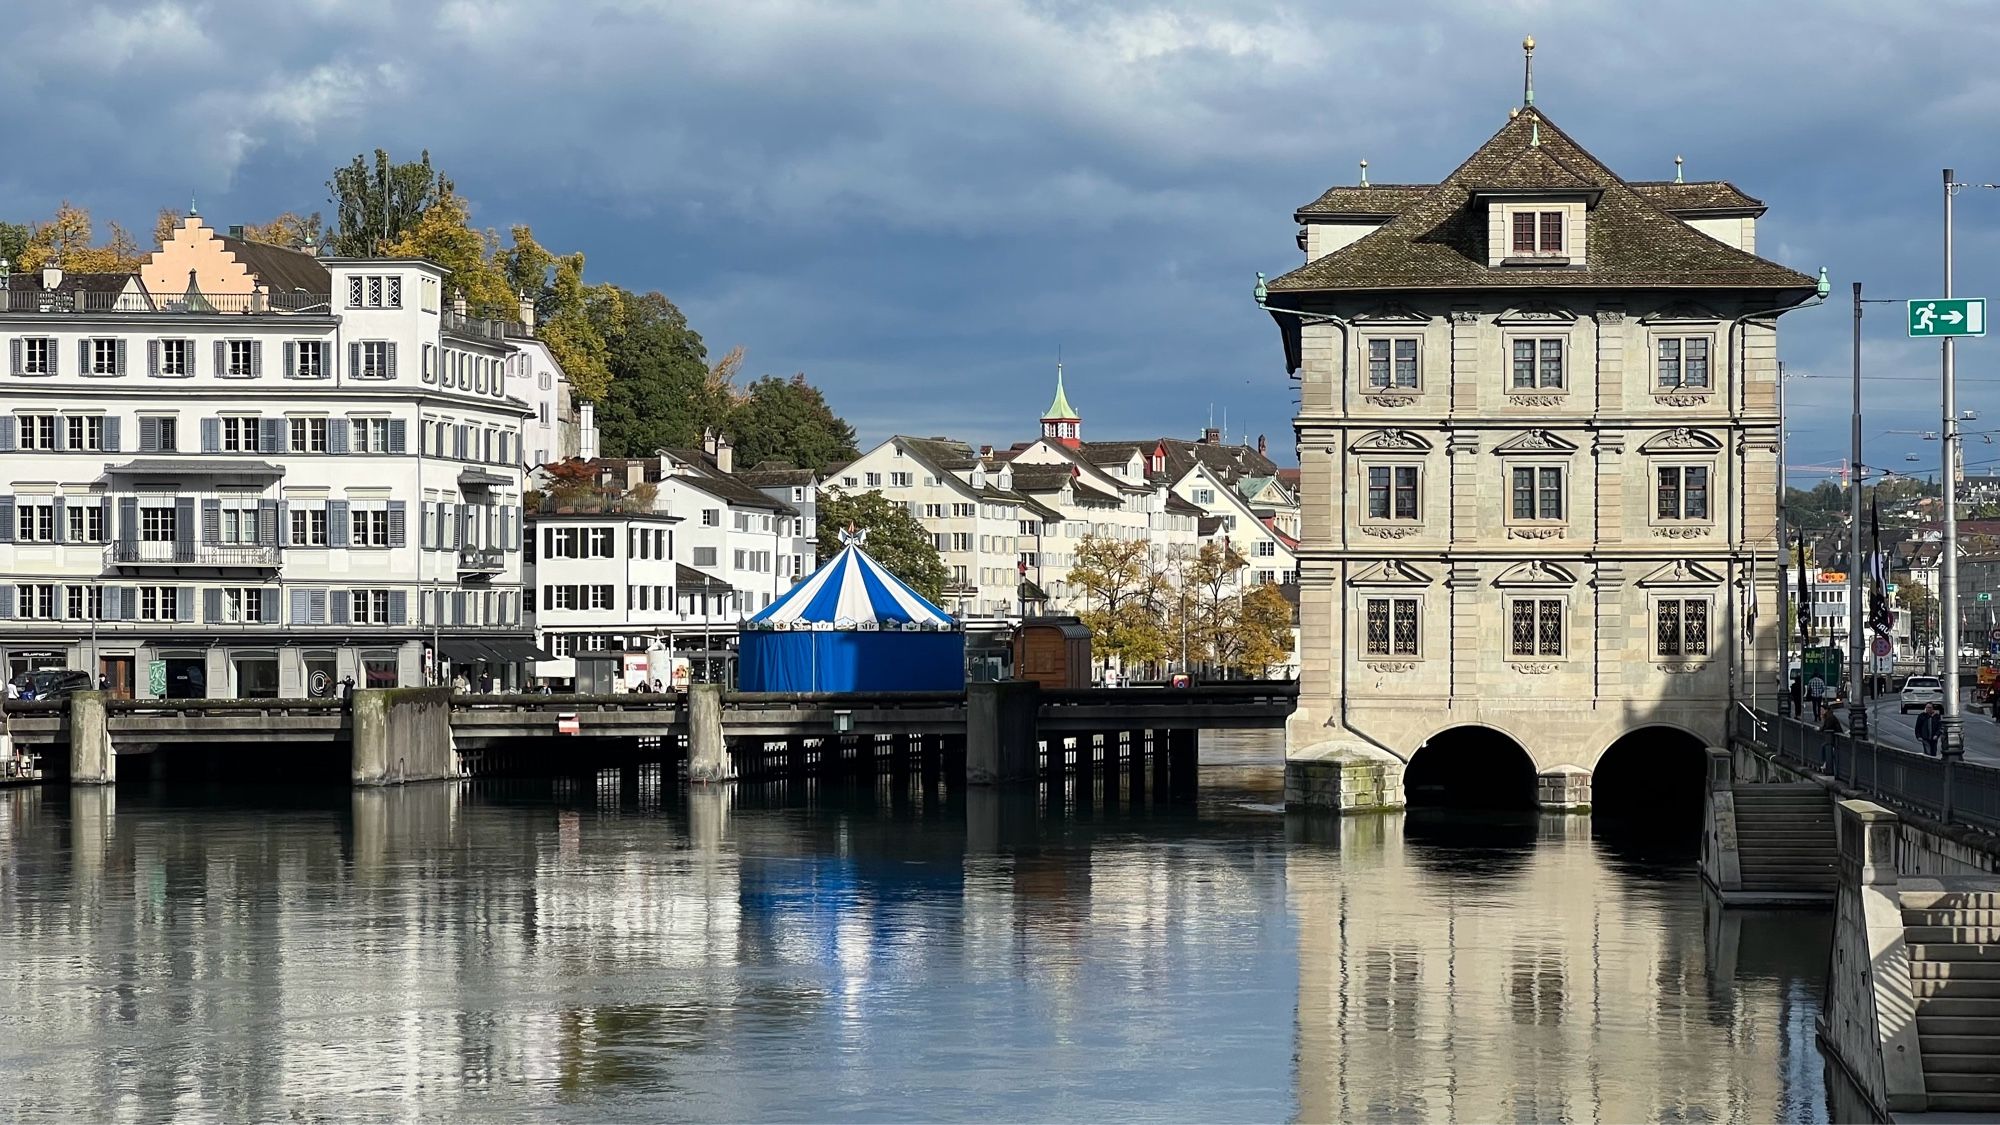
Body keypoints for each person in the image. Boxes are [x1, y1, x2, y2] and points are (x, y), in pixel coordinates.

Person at [1819, 700, 1844, 773]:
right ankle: (1825, 764)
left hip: (1835, 739)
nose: (1820, 711)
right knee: (1824, 746)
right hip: (1833, 738)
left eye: (1821, 710)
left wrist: (1821, 728)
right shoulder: (1829, 716)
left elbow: (1827, 727)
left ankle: (1826, 765)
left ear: (1826, 710)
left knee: (1824, 746)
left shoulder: (1830, 717)